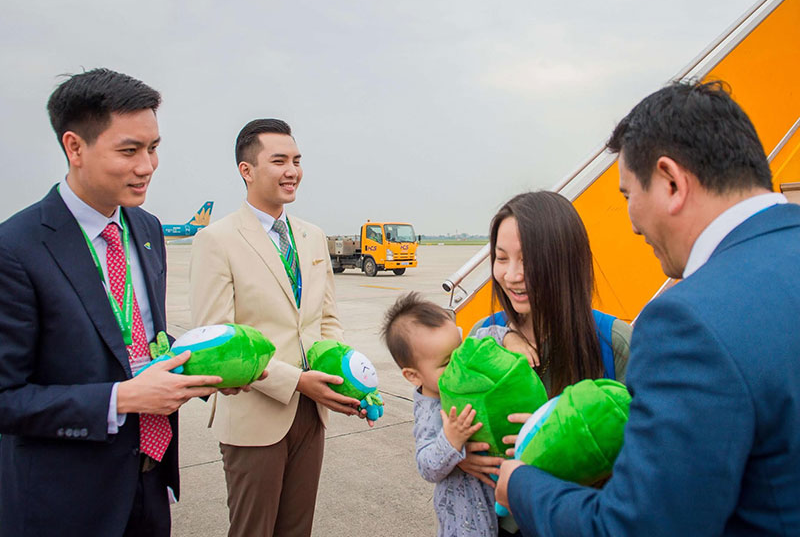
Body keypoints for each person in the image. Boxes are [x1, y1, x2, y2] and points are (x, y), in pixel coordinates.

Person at [496, 81, 800, 536]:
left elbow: (634, 526)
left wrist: (521, 484)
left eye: (626, 195)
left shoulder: (689, 321)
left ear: (671, 182)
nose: (633, 221)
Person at [0, 68, 223, 537]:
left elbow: (138, 343)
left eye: (153, 148)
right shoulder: (16, 248)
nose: (147, 166)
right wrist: (121, 399)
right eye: (129, 151)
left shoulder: (146, 230)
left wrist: (210, 365)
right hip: (67, 503)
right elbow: (6, 397)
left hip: (150, 481)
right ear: (74, 147)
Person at [190, 118, 366, 537]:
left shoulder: (311, 235)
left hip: (312, 412)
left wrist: (343, 373)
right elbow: (217, 341)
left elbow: (327, 320)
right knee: (254, 529)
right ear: (246, 170)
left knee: (296, 529)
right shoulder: (218, 240)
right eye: (280, 161)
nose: (292, 171)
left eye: (297, 160)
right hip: (256, 412)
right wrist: (296, 380)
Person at [459, 191, 632, 493]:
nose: (511, 275)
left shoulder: (616, 344)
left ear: (565, 260)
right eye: (501, 258)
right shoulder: (482, 336)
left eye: (529, 260)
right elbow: (436, 416)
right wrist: (459, 455)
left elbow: (653, 461)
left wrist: (561, 450)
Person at [382, 292, 498, 537]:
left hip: (494, 503)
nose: (458, 364)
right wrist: (451, 440)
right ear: (414, 375)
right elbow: (426, 466)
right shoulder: (431, 409)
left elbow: (486, 338)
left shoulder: (457, 382)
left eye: (458, 352)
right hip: (465, 520)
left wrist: (510, 338)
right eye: (446, 363)